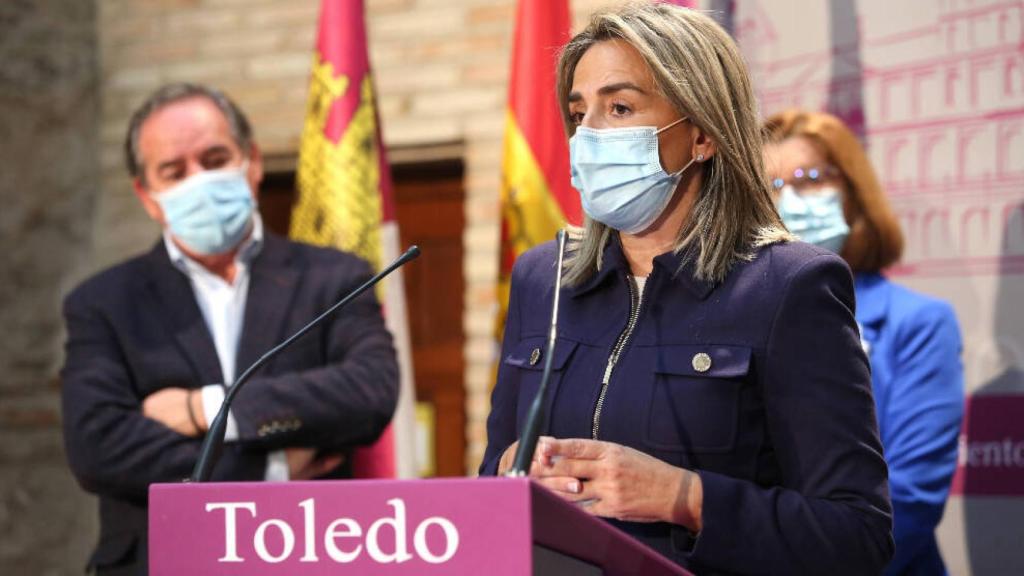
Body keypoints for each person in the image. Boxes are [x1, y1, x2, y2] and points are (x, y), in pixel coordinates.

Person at [479, 4, 894, 574]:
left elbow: (856, 536)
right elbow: (490, 482)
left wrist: (685, 497)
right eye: (580, 113)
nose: (590, 135)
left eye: (619, 108)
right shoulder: (542, 278)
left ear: (701, 134)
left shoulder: (789, 286)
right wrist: (507, 478)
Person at [60, 83, 399, 575]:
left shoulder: (334, 277)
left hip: (311, 554)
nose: (198, 180)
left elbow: (370, 391)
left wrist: (207, 408)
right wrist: (271, 469)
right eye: (174, 172)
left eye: (215, 159)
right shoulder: (103, 303)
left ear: (252, 162)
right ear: (147, 196)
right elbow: (99, 446)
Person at [764, 109, 964, 576]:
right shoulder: (735, 314)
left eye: (810, 179)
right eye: (771, 187)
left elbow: (909, 501)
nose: (790, 200)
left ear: (853, 191)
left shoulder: (918, 322)